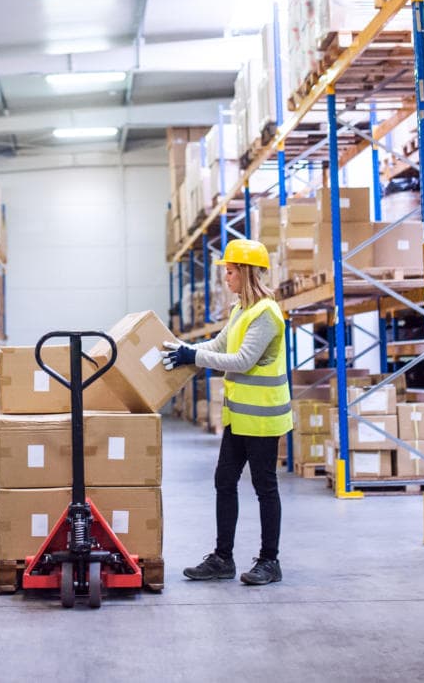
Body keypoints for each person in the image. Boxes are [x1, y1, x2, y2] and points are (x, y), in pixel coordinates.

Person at [162, 238, 292, 586]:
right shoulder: (240, 310)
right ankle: (223, 558)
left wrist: (194, 357)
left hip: (263, 416)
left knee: (265, 486)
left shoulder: (266, 313)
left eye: (231, 272)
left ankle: (269, 561)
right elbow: (219, 346)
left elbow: (242, 361)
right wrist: (182, 350)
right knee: (224, 481)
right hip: (239, 415)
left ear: (246, 273)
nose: (226, 278)